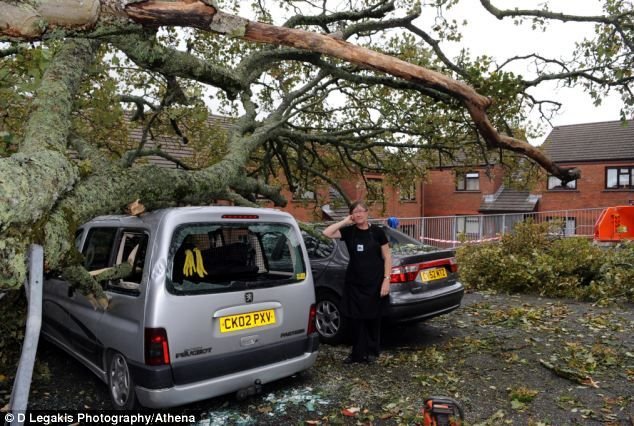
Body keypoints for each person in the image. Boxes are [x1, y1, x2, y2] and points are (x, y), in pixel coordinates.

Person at [323, 201, 392, 364]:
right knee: (356, 319)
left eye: (362, 211)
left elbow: (387, 257)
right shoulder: (349, 232)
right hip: (354, 283)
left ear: (367, 213)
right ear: (352, 214)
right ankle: (357, 354)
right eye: (355, 212)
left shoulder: (378, 232)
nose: (359, 214)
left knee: (373, 319)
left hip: (375, 282)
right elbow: (327, 232)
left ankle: (372, 353)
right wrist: (345, 221)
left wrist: (386, 280)